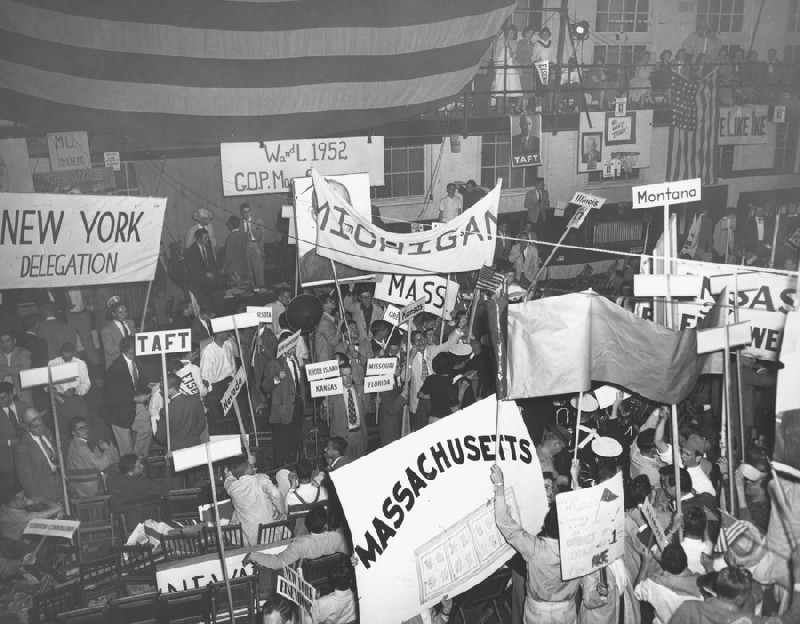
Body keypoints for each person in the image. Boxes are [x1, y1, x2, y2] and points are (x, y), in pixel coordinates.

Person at [491, 464, 606, 624]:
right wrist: (601, 594)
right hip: (566, 613)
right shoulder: (581, 550)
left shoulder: (534, 548)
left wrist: (499, 485)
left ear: (547, 524)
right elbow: (590, 597)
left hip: (537, 614)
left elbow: (504, 522)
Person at [245, 504, 348, 569]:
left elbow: (277, 562)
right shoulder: (338, 537)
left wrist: (253, 555)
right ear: (325, 525)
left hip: (306, 575)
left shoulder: (300, 544)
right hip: (323, 573)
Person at [261, 330, 305, 468]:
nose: (293, 348)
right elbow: (265, 386)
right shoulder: (274, 363)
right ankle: (279, 472)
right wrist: (276, 378)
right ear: (282, 346)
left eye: (294, 345)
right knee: (281, 444)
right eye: (290, 345)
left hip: (297, 405)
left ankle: (292, 467)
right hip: (282, 409)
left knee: (294, 440)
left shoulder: (296, 361)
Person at [104, 336, 150, 456]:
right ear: (131, 349)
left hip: (135, 405)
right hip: (118, 412)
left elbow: (138, 381)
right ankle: (130, 467)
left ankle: (138, 458)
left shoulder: (135, 362)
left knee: (146, 429)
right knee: (126, 449)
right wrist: (134, 398)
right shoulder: (115, 369)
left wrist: (149, 386)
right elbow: (111, 396)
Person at [634, 544, 701, 624]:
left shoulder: (655, 585)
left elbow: (637, 591)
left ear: (665, 571)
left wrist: (645, 563)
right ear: (686, 563)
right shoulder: (701, 583)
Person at [223, 454, 281, 546]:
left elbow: (228, 476)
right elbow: (275, 493)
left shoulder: (231, 487)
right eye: (250, 464)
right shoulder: (260, 479)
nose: (253, 466)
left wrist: (232, 468)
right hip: (269, 535)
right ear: (246, 467)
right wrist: (279, 508)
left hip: (247, 538)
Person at [14, 408, 63, 506]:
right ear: (27, 428)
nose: (41, 428)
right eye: (36, 426)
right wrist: (38, 499)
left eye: (42, 424)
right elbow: (26, 480)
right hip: (42, 490)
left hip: (58, 482)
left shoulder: (48, 432)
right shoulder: (22, 447)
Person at [48, 342, 91, 454]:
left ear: (73, 353)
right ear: (60, 353)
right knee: (63, 432)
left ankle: (83, 456)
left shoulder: (80, 364)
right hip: (59, 401)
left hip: (76, 401)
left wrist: (74, 390)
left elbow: (86, 384)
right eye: (64, 355)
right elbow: (46, 384)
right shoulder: (53, 363)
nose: (67, 358)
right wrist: (52, 390)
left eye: (69, 355)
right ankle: (68, 459)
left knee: (80, 430)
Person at [66, 417, 119, 497]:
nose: (85, 430)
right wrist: (107, 449)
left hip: (77, 484)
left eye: (85, 427)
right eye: (80, 428)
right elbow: (101, 465)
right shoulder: (82, 448)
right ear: (73, 432)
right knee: (116, 474)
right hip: (89, 488)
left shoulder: (73, 443)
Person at [326, 364, 368, 460]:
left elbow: (368, 410)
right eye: (345, 375)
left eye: (350, 374)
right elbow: (324, 417)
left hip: (359, 436)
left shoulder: (360, 389)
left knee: (360, 467)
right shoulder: (332, 394)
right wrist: (325, 407)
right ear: (339, 377)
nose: (348, 378)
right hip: (342, 438)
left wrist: (376, 402)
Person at [156, 374, 207, 452]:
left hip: (176, 449)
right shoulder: (195, 400)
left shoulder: (166, 410)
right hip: (195, 445)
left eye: (162, 389)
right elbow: (202, 423)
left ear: (172, 389)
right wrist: (192, 435)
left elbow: (160, 437)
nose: (161, 391)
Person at [200, 329, 237, 424]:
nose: (228, 334)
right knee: (219, 419)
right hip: (215, 388)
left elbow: (232, 363)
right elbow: (204, 374)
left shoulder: (228, 344)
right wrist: (210, 391)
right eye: (225, 332)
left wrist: (233, 380)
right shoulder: (208, 350)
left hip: (229, 384)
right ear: (219, 333)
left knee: (232, 416)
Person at [311, 559, 358, 624]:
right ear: (351, 581)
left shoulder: (321, 602)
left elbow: (313, 620)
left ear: (332, 581)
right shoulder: (357, 597)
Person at [0, 382, 28, 491]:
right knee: (13, 494)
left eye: (3, 398)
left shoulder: (24, 406)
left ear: (11, 395)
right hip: (7, 461)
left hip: (27, 457)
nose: (0, 401)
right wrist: (9, 443)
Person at [417, 352, 459, 424]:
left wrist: (435, 395)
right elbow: (455, 410)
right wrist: (462, 391)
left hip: (431, 419)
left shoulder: (430, 379)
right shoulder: (449, 384)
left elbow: (420, 395)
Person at [184, 228, 220, 310]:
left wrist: (214, 274)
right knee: (205, 304)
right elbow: (194, 269)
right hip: (199, 282)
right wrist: (206, 274)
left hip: (210, 280)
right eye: (205, 238)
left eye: (208, 237)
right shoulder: (190, 251)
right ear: (199, 239)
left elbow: (212, 262)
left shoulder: (208, 245)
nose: (208, 239)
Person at [491, 24, 522, 113]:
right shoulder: (500, 41)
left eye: (513, 33)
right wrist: (495, 66)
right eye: (510, 32)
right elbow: (496, 54)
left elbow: (514, 56)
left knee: (510, 89)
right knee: (500, 89)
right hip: (501, 66)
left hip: (510, 66)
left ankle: (507, 110)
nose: (511, 34)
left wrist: (508, 46)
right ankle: (499, 111)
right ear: (507, 32)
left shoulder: (515, 43)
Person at [0, 330, 33, 408]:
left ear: (14, 341)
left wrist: (2, 367)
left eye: (8, 341)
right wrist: (14, 369)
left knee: (30, 414)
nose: (5, 345)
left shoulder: (24, 352)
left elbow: (22, 371)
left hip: (21, 392)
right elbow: (16, 370)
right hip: (2, 394)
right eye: (2, 342)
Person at [101, 298, 136, 369]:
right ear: (113, 314)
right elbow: (109, 349)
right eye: (120, 312)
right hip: (115, 364)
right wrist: (127, 346)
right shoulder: (107, 330)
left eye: (125, 312)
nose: (124, 315)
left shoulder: (131, 323)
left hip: (131, 361)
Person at [240, 202, 266, 288]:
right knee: (248, 271)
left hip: (256, 245)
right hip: (245, 246)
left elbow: (263, 235)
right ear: (241, 213)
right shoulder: (240, 222)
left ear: (250, 211)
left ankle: (261, 289)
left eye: (248, 211)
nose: (247, 214)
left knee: (259, 270)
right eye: (245, 212)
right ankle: (252, 290)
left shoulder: (257, 221)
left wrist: (260, 246)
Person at [680, 506, 713, 575]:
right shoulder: (708, 547)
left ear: (683, 525)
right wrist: (705, 529)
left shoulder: (679, 547)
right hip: (699, 580)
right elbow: (706, 536)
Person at [509, 223, 541, 288]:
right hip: (517, 276)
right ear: (519, 240)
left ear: (528, 240)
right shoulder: (515, 247)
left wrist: (534, 279)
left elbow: (536, 265)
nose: (523, 242)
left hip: (529, 276)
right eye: (522, 240)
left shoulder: (533, 250)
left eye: (525, 240)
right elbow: (510, 260)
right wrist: (519, 252)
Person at [221, 215, 249, 286]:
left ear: (230, 225)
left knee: (235, 290)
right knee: (244, 289)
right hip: (244, 267)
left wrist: (223, 268)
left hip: (234, 270)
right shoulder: (245, 235)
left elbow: (228, 256)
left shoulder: (231, 237)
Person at [314, 295, 340, 364]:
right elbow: (333, 342)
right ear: (324, 305)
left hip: (330, 356)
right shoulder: (324, 321)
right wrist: (340, 325)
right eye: (330, 301)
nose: (333, 301)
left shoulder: (329, 319)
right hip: (325, 359)